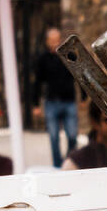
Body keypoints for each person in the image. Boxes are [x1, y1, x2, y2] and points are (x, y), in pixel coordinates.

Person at [32, 27, 79, 168]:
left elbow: (79, 76)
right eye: (51, 41)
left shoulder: (69, 56)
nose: (54, 43)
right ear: (47, 42)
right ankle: (57, 166)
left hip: (69, 101)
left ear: (60, 40)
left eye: (56, 40)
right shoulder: (42, 59)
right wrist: (35, 104)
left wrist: (83, 97)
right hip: (51, 102)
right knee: (53, 137)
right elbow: (37, 82)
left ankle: (70, 162)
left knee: (72, 135)